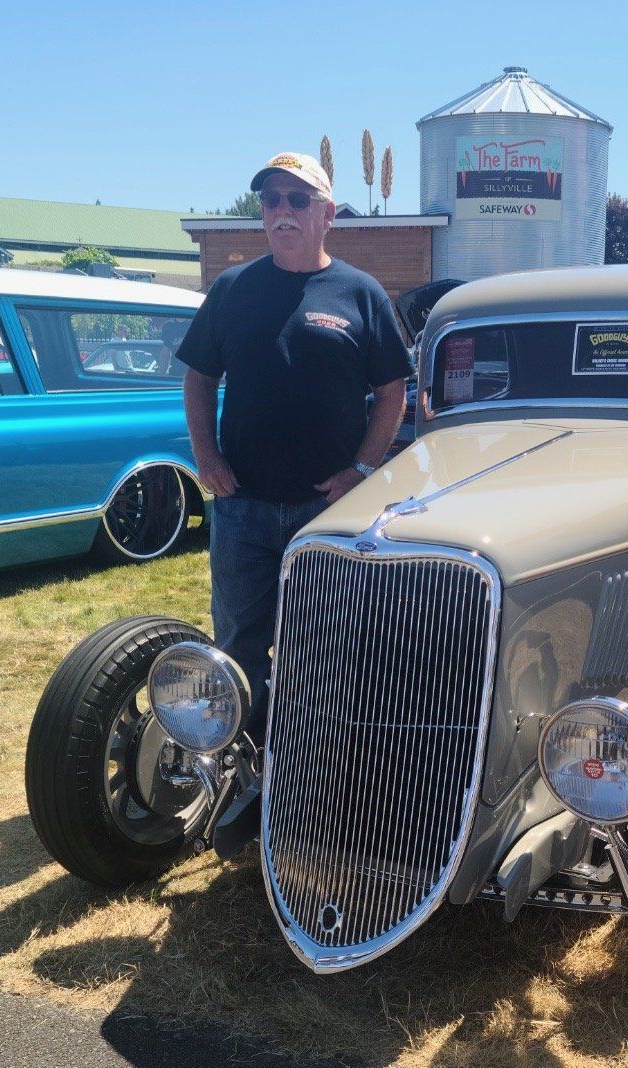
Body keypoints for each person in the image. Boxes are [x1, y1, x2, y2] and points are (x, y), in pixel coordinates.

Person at [174, 151, 411, 739]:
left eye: (297, 200)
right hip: (243, 506)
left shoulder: (360, 293)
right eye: (271, 200)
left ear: (326, 214)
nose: (282, 211)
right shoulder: (232, 289)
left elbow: (391, 391)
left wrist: (361, 468)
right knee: (237, 644)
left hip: (329, 509)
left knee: (327, 648)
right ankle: (245, 768)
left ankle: (316, 760)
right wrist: (206, 457)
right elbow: (198, 378)